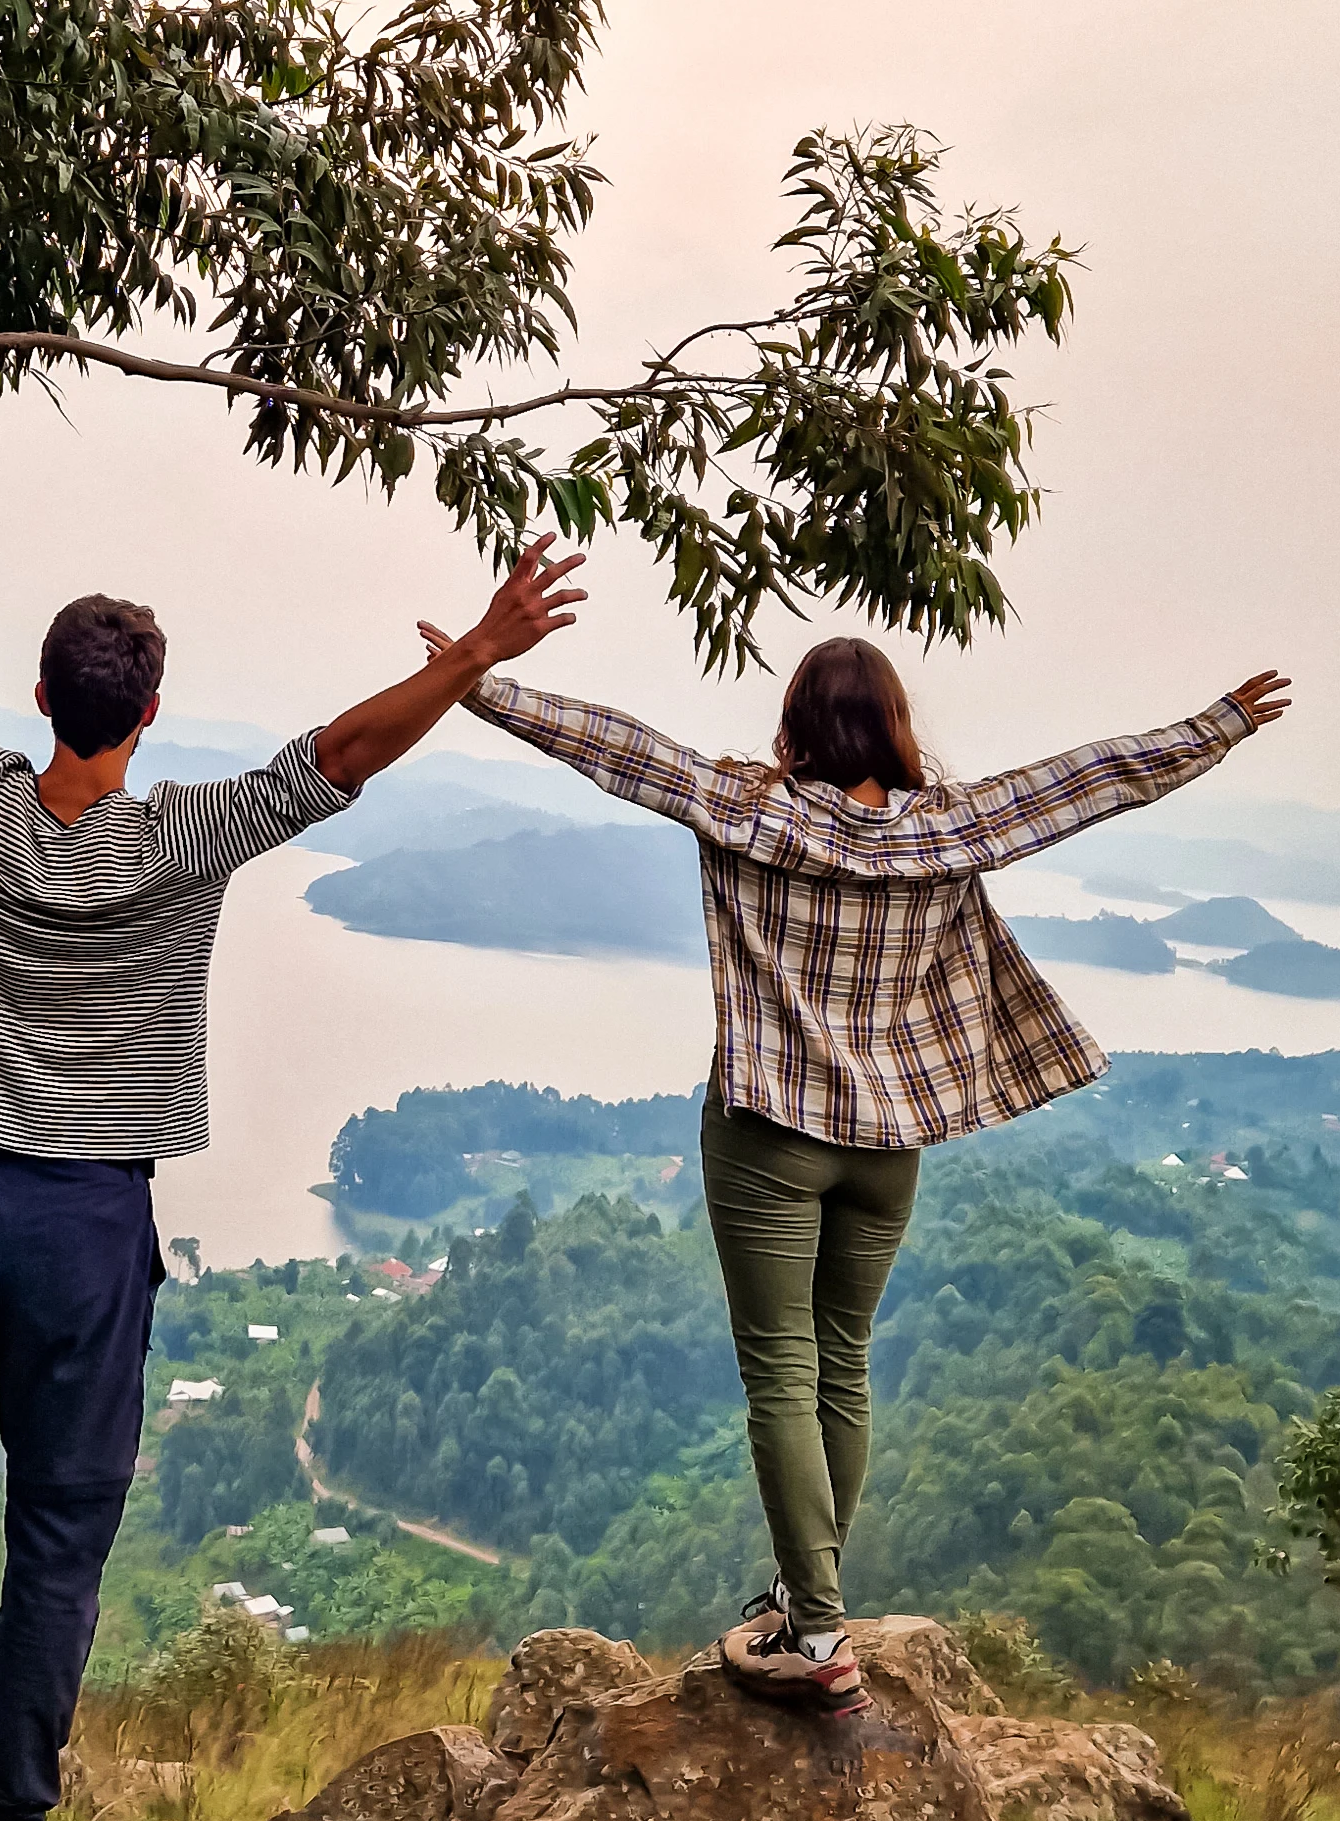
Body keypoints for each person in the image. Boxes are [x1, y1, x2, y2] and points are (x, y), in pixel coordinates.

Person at [0, 425, 585, 1821]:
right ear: (150, 713)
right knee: (58, 1533)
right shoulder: (188, 838)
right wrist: (477, 654)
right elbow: (344, 756)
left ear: (42, 697)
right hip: (90, 1228)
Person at [424, 623, 1293, 1719]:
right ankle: (807, 1599)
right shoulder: (948, 826)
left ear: (794, 729)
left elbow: (620, 750)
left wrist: (477, 683)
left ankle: (819, 1631)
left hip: (770, 1137)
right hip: (888, 1146)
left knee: (781, 1373)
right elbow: (1089, 780)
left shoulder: (756, 812)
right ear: (895, 728)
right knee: (844, 1364)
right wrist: (1216, 727)